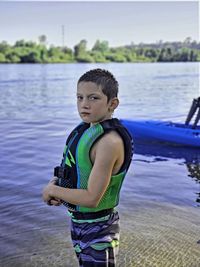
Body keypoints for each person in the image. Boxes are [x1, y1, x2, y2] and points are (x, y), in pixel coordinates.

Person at [42, 68, 133, 267]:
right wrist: (57, 186)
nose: (84, 104)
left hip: (99, 228)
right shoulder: (88, 132)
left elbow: (92, 198)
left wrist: (52, 190)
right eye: (79, 97)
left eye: (93, 98)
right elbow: (76, 174)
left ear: (112, 104)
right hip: (80, 223)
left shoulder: (109, 142)